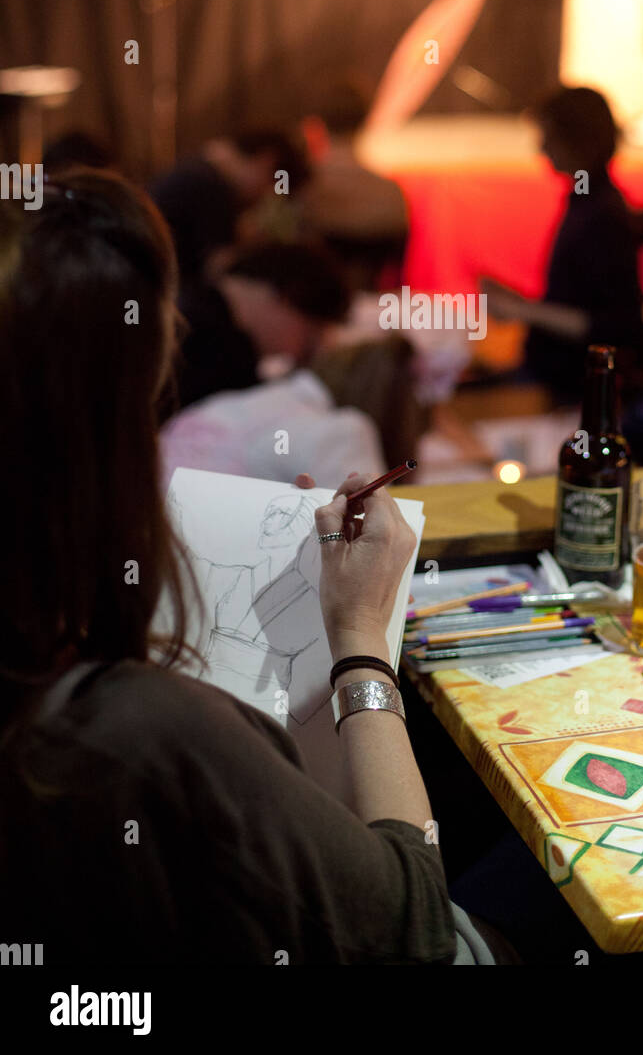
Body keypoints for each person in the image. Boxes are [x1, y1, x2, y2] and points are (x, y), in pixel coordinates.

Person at [0, 170, 501, 964]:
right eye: (152, 398)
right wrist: (360, 639)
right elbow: (417, 933)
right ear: (101, 440)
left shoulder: (70, 678)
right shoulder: (134, 730)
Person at [161, 242, 388, 486]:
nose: (295, 354)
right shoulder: (213, 342)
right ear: (283, 299)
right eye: (310, 335)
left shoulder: (188, 302)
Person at [483, 86, 643, 402]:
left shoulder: (601, 216)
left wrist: (522, 310)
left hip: (568, 384)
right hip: (556, 372)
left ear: (578, 141)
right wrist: (522, 306)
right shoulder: (589, 203)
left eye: (548, 137)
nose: (542, 149)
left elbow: (612, 327)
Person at [150, 128, 311, 408]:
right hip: (163, 320)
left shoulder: (196, 172)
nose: (262, 198)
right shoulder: (212, 188)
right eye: (271, 186)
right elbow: (225, 273)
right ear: (265, 162)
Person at [295, 80, 409, 293]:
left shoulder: (303, 186)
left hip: (312, 307)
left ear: (317, 122)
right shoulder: (392, 193)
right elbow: (397, 274)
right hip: (370, 312)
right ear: (366, 119)